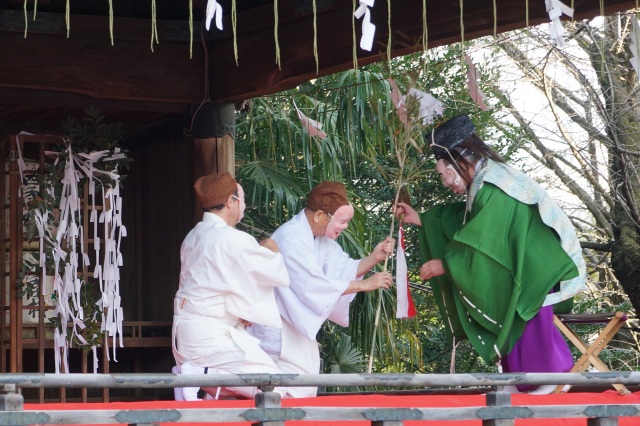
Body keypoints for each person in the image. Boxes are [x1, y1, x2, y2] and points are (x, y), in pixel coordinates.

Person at [395, 114, 587, 395]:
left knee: (519, 303)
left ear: (458, 161)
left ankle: (549, 376)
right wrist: (422, 220)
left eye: (443, 174)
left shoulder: (495, 187)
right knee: (508, 296)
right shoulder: (487, 180)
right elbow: (470, 227)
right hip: (529, 263)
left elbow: (485, 244)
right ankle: (521, 380)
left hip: (539, 266)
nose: (445, 182)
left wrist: (447, 263)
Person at [248, 181, 395, 398]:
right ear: (319, 215)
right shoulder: (291, 237)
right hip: (276, 329)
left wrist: (374, 258)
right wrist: (364, 285)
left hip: (295, 329)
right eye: (342, 221)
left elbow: (343, 269)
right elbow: (311, 285)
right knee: (279, 388)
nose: (344, 227)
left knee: (303, 385)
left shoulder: (318, 238)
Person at [172, 172, 291, 400]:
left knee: (241, 392)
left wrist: (241, 312)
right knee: (273, 389)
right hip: (210, 335)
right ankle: (201, 374)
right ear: (230, 201)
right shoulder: (231, 238)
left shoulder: (192, 237)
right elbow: (276, 274)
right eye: (241, 199)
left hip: (186, 332)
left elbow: (218, 284)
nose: (243, 206)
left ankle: (201, 377)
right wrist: (272, 249)